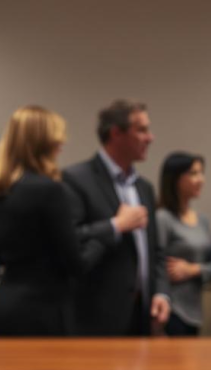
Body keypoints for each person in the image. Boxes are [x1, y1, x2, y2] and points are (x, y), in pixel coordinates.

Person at [0, 106, 100, 336]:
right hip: (44, 307)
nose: (62, 143)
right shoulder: (49, 190)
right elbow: (75, 263)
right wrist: (107, 235)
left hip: (6, 302)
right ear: (43, 142)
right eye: (57, 137)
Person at [62, 99, 170, 336]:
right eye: (141, 130)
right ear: (116, 133)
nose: (150, 138)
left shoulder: (144, 188)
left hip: (142, 316)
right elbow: (70, 239)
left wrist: (161, 293)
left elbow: (156, 251)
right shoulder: (76, 179)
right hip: (96, 318)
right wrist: (115, 226)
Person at [156, 152, 211, 336]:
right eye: (193, 173)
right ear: (175, 179)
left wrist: (193, 270)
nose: (200, 180)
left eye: (201, 173)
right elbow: (156, 264)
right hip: (171, 310)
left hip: (195, 311)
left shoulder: (202, 221)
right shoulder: (163, 218)